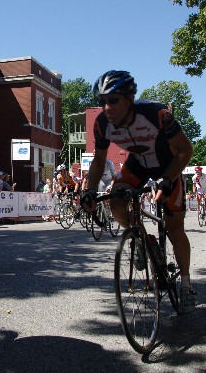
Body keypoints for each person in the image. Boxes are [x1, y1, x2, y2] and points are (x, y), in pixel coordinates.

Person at [80, 70, 195, 314]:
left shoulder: (156, 114)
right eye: (102, 101)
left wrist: (167, 179)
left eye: (113, 100)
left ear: (129, 98)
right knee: (116, 201)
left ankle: (185, 283)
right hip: (138, 164)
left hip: (168, 164)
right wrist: (89, 190)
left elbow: (186, 150)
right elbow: (99, 162)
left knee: (174, 227)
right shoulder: (102, 124)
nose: (107, 107)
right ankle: (142, 239)